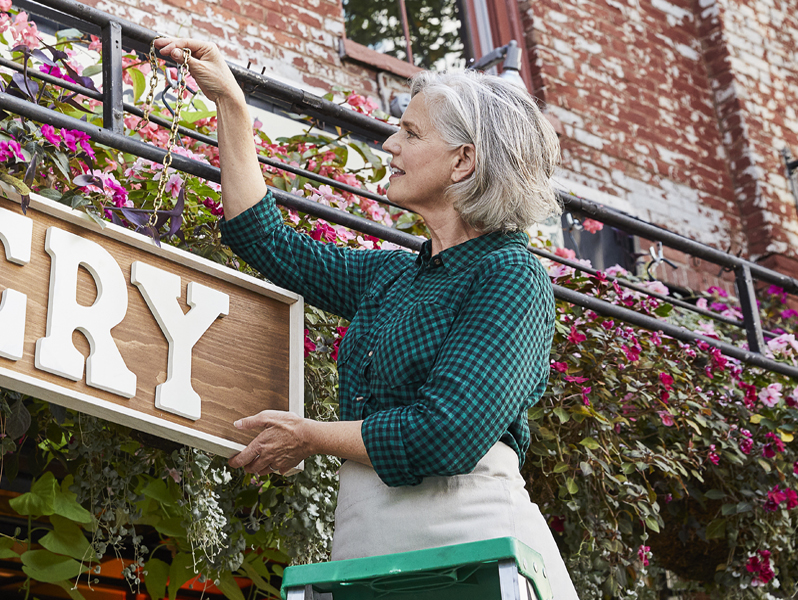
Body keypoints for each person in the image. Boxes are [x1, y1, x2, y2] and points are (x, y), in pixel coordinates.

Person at [152, 38, 580, 598]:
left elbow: (445, 434)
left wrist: (309, 437)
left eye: (411, 132)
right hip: (367, 545)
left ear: (463, 161)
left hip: (476, 554)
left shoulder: (509, 274)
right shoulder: (392, 277)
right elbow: (269, 242)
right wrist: (232, 105)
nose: (389, 143)